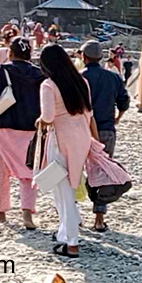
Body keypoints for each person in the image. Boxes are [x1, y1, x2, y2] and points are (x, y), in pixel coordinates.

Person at [38, 45, 95, 257]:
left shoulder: (48, 85)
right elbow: (89, 112)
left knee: (63, 191)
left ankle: (72, 242)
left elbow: (48, 116)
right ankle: (65, 233)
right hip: (81, 138)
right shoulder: (82, 82)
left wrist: (40, 120)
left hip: (59, 139)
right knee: (69, 186)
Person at [0, 37, 44, 229]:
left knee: (0, 171)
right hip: (31, 129)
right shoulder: (40, 74)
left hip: (3, 127)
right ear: (30, 54)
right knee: (28, 172)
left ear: (10, 53)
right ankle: (27, 213)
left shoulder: (3, 71)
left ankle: (1, 212)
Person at [79, 41, 130, 232]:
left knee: (74, 171)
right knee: (102, 172)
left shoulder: (79, 78)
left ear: (83, 57)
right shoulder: (113, 77)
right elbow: (124, 102)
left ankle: (73, 214)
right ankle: (99, 219)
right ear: (101, 57)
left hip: (80, 131)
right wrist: (117, 118)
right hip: (106, 130)